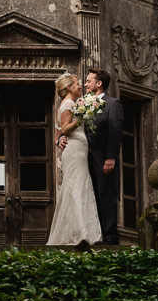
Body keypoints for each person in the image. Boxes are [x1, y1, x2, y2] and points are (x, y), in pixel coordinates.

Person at [46, 73, 102, 246]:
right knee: (78, 185)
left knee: (76, 185)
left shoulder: (64, 105)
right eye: (78, 83)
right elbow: (64, 129)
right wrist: (82, 118)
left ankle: (78, 230)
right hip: (75, 150)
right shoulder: (69, 103)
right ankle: (81, 233)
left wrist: (59, 141)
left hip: (76, 150)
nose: (80, 87)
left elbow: (57, 136)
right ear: (69, 87)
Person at [83, 68, 124, 244]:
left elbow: (115, 131)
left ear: (98, 84)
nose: (85, 84)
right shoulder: (83, 105)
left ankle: (110, 238)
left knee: (106, 197)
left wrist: (110, 157)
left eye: (88, 81)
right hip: (86, 160)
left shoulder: (113, 104)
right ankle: (96, 235)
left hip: (104, 160)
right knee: (93, 197)